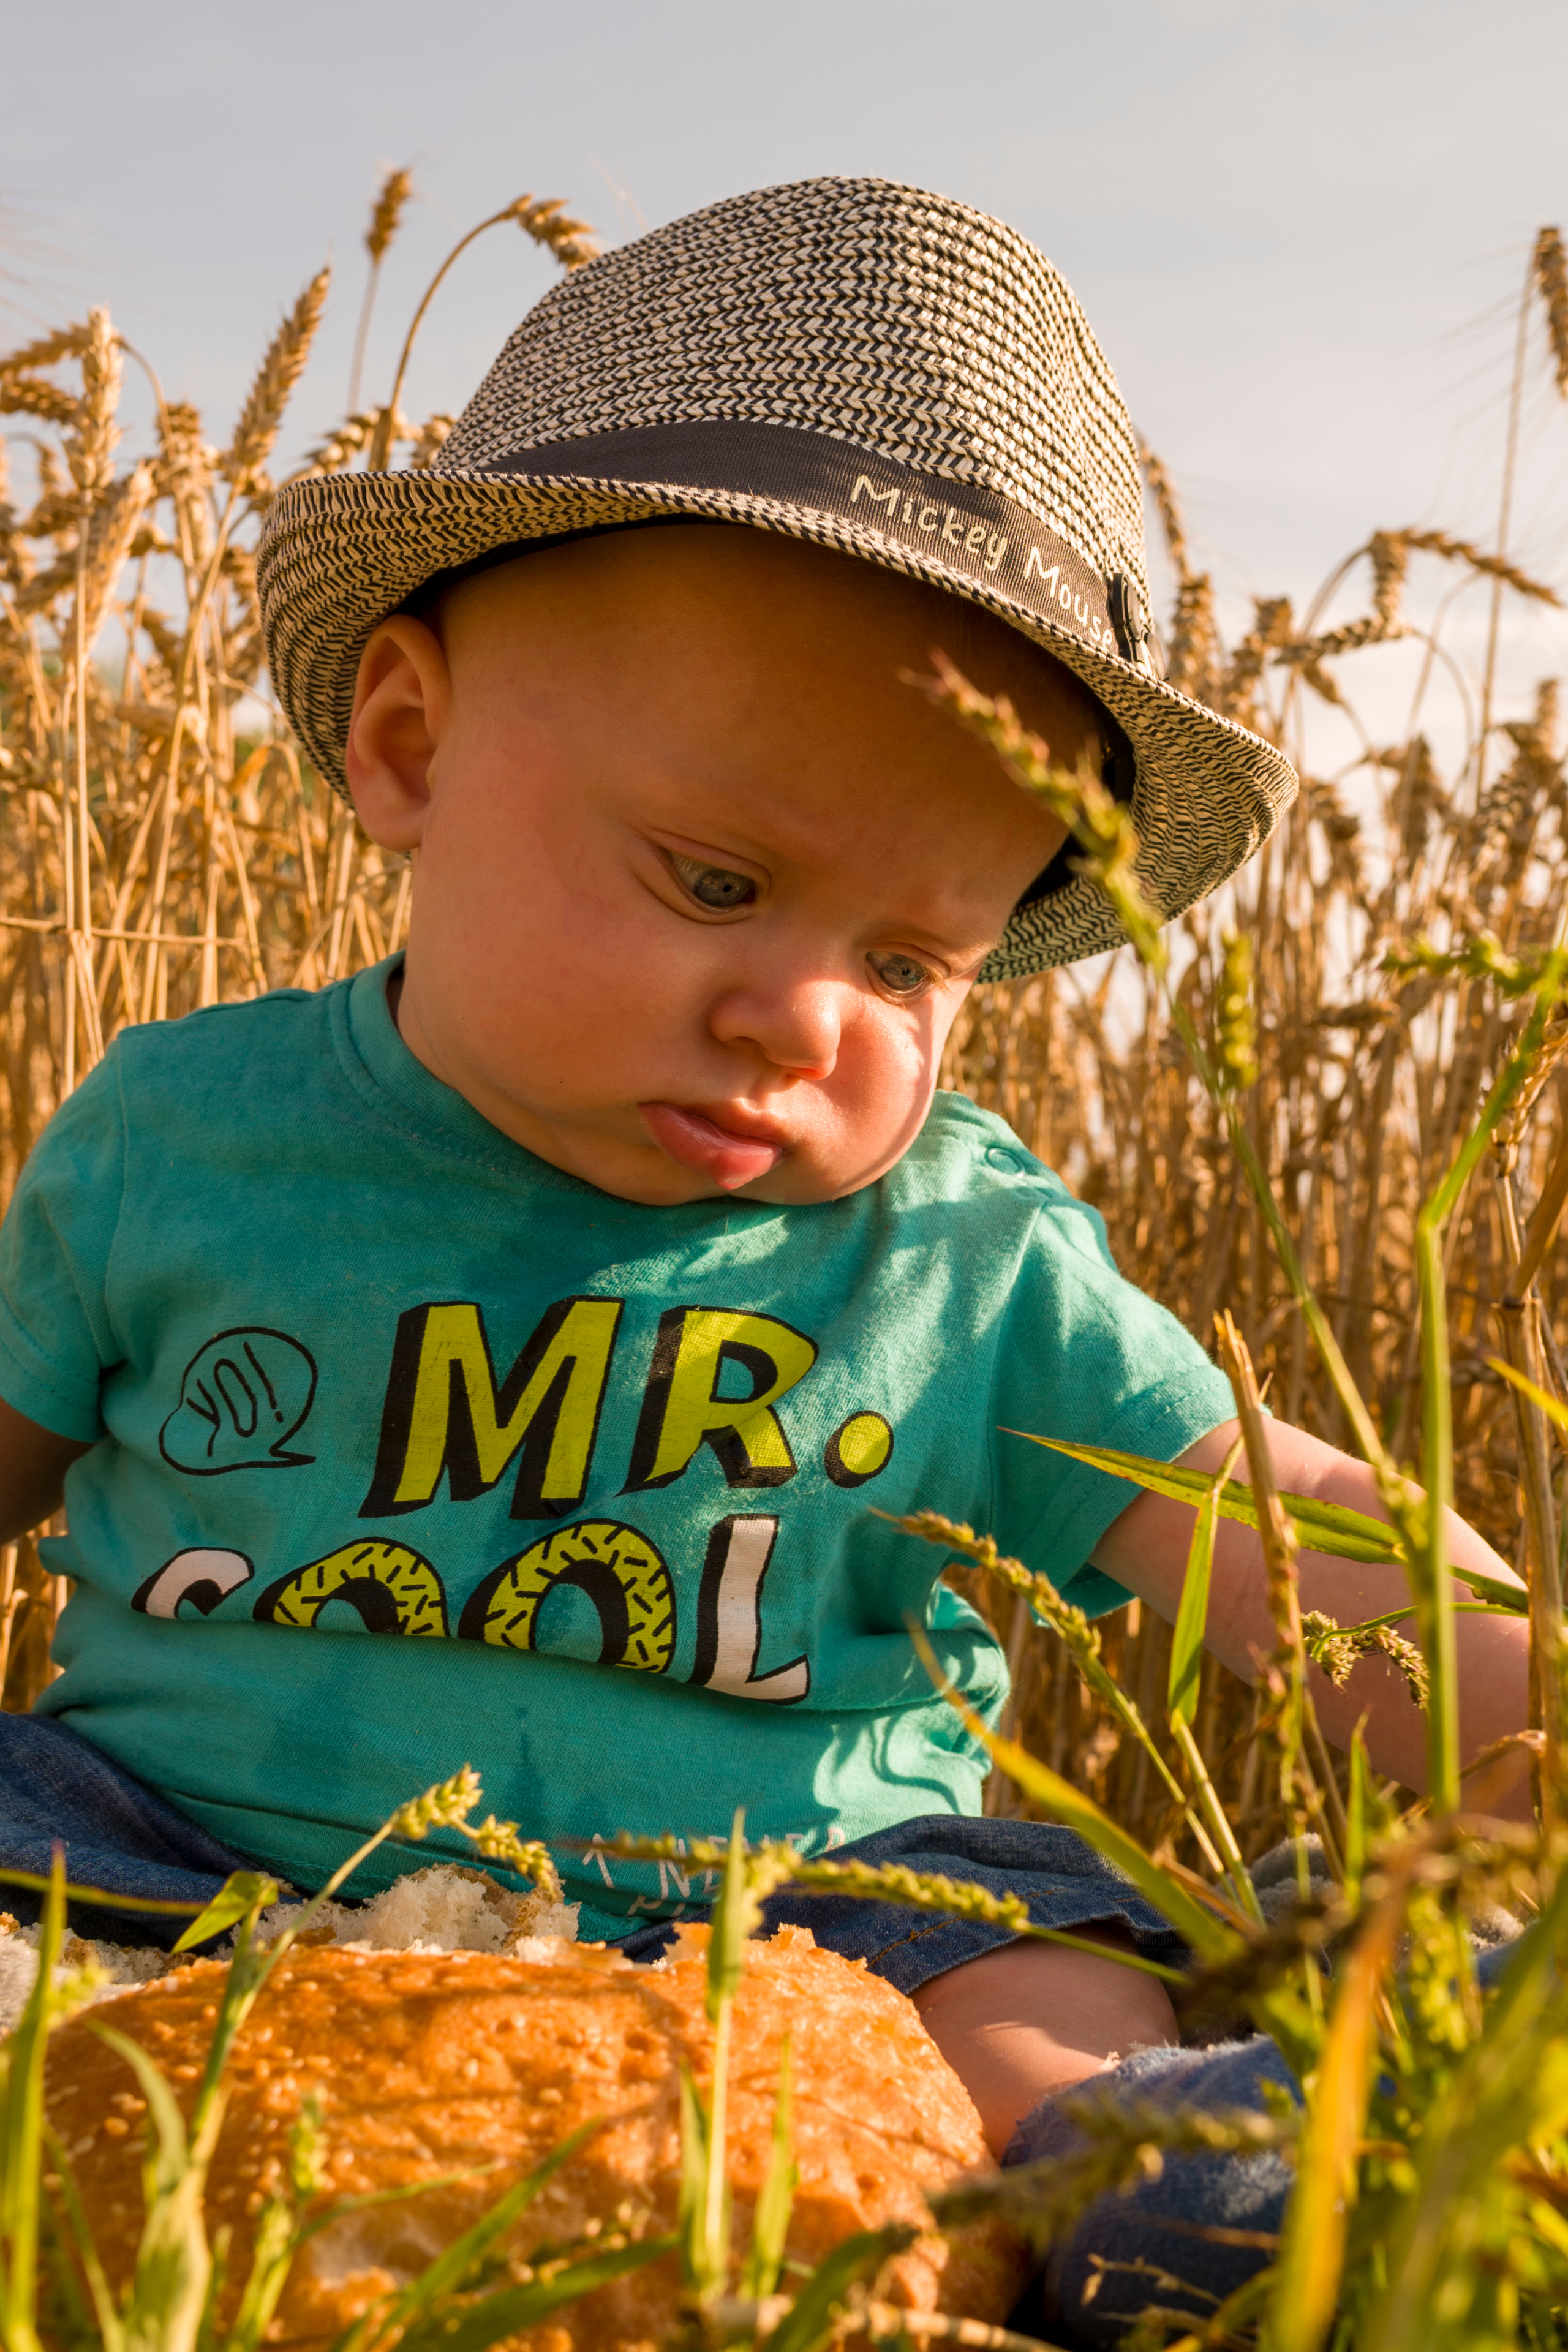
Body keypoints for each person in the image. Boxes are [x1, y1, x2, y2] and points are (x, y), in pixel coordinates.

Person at [0, 178, 1529, 2335]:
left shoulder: (960, 1256)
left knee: (1059, 2066)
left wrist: (1521, 1724)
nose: (811, 1021)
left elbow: (1298, 1553)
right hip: (178, 1849)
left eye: (910, 962)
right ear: (409, 746)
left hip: (831, 1904)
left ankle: (1237, 2181)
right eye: (717, 882)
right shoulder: (184, 1139)